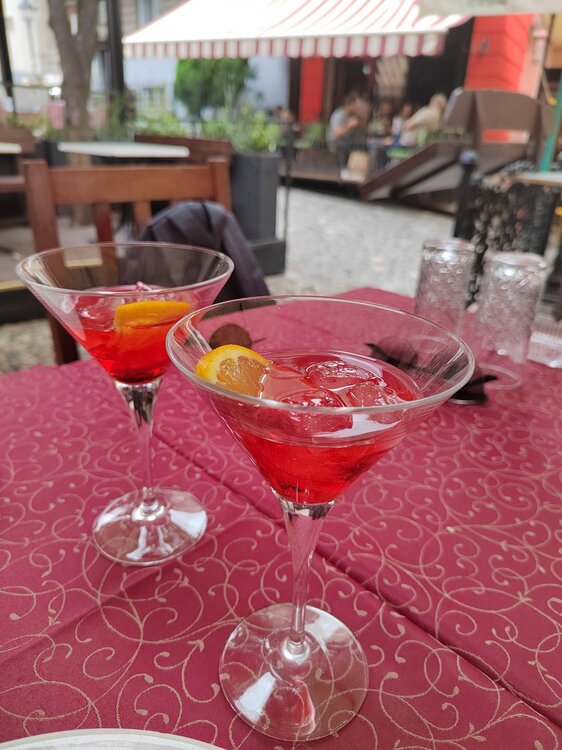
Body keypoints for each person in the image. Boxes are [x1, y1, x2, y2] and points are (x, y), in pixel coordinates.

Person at [327, 94, 363, 171]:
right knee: (344, 146)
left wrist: (360, 116)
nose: (356, 107)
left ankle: (355, 169)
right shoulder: (339, 115)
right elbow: (337, 133)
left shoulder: (352, 115)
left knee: (361, 146)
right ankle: (343, 169)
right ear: (348, 104)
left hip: (349, 142)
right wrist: (349, 125)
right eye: (355, 105)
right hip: (337, 142)